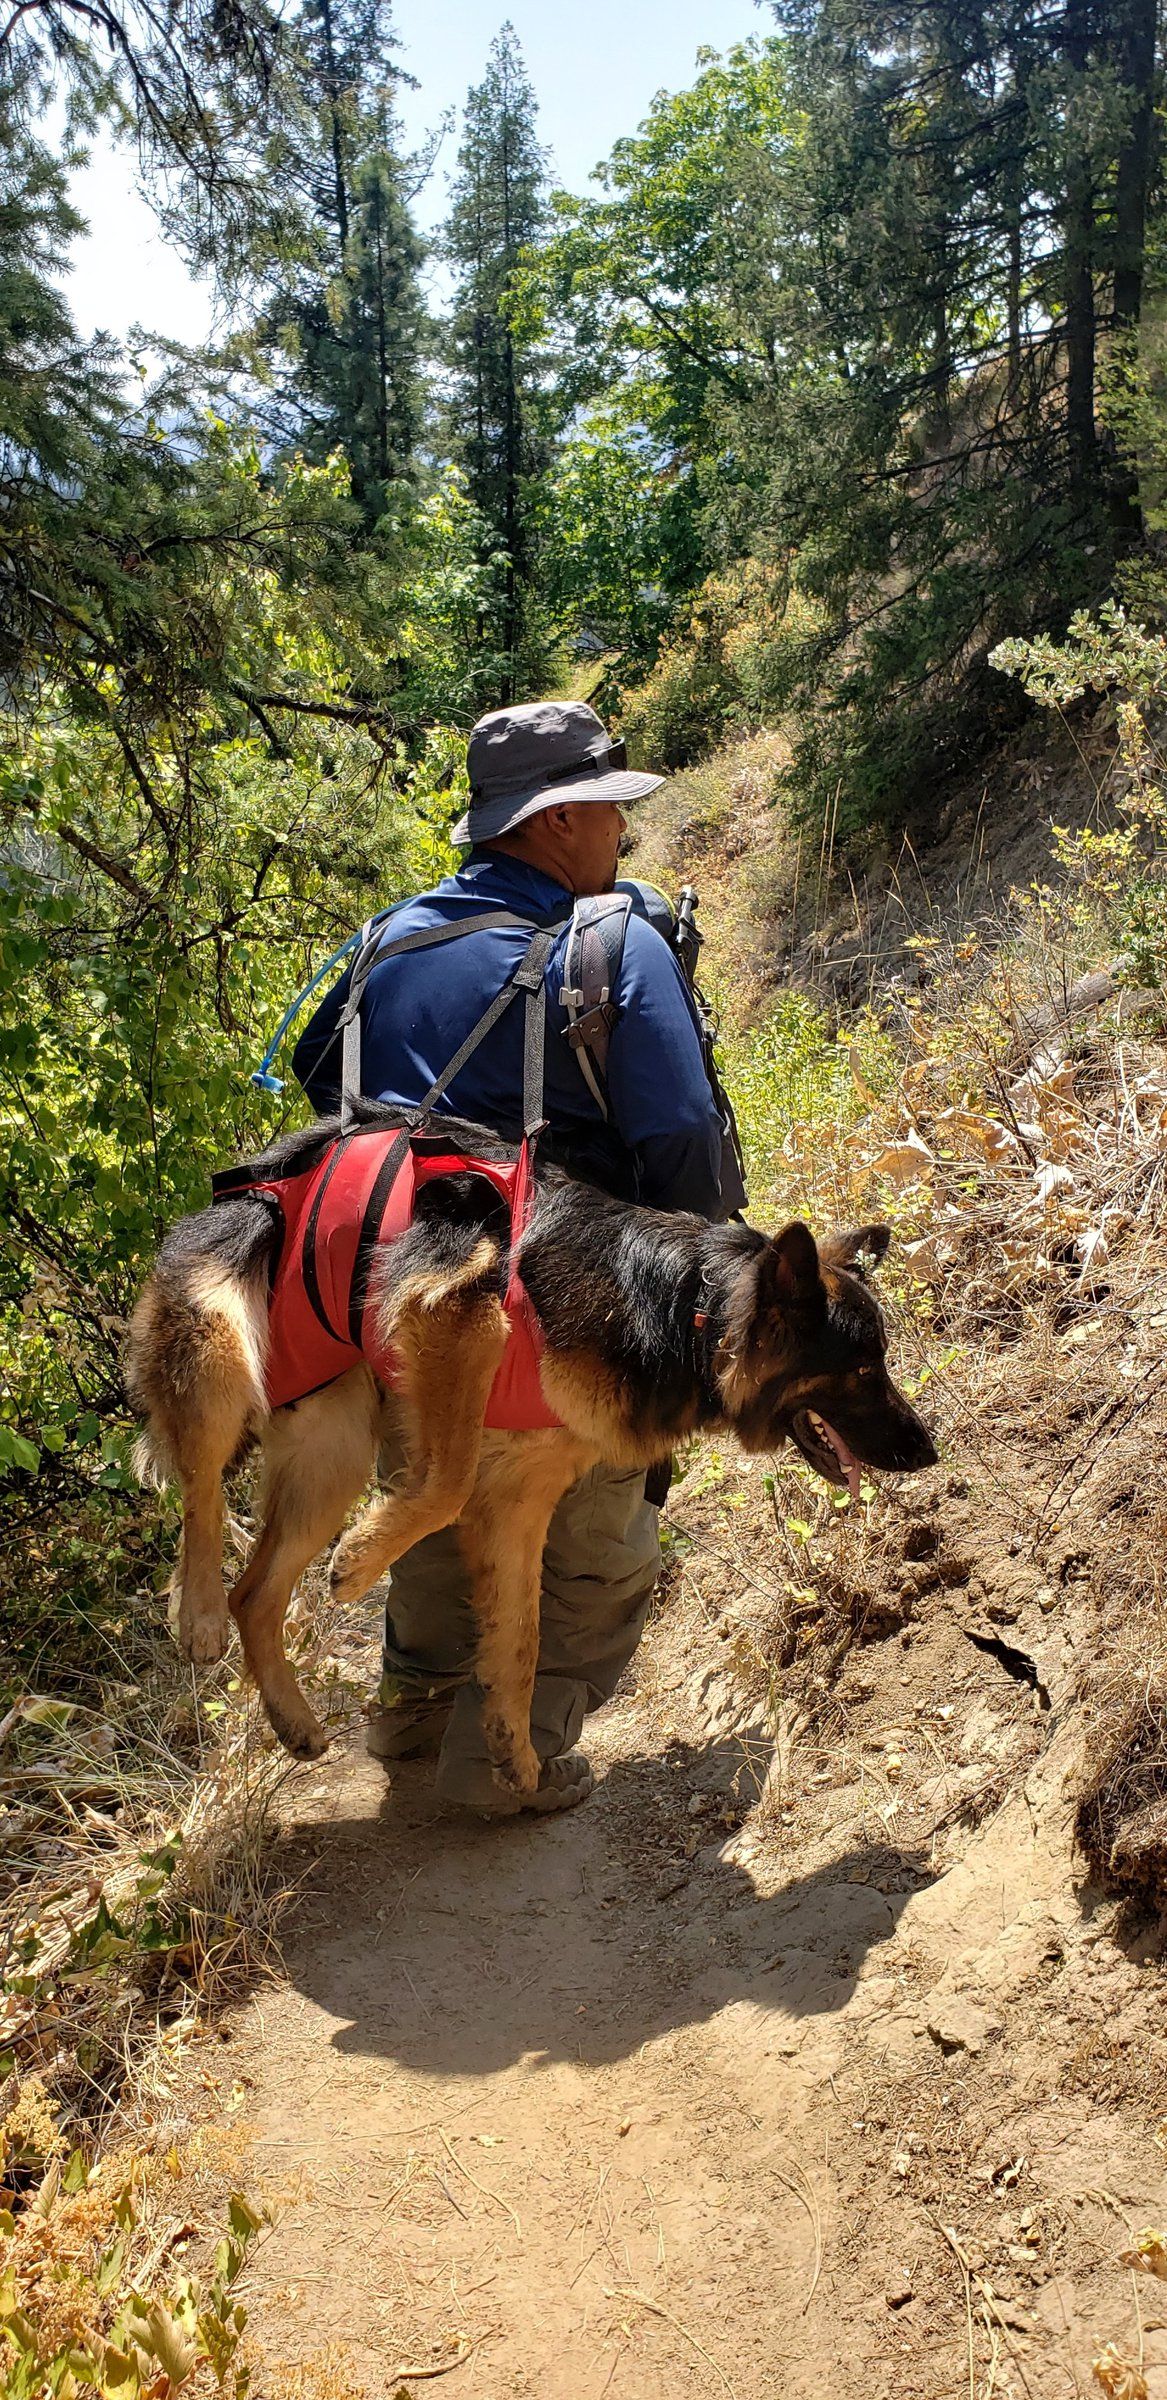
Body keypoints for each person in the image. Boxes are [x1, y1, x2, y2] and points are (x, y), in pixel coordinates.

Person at [293, 698, 742, 1815]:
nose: (617, 836)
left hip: (404, 1296)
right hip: (570, 1309)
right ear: (551, 824)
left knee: (438, 1496)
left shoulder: (390, 937)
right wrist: (705, 1316)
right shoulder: (609, 942)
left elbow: (315, 1077)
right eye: (603, 810)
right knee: (590, 1539)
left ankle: (407, 1718)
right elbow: (682, 1132)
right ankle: (513, 1750)